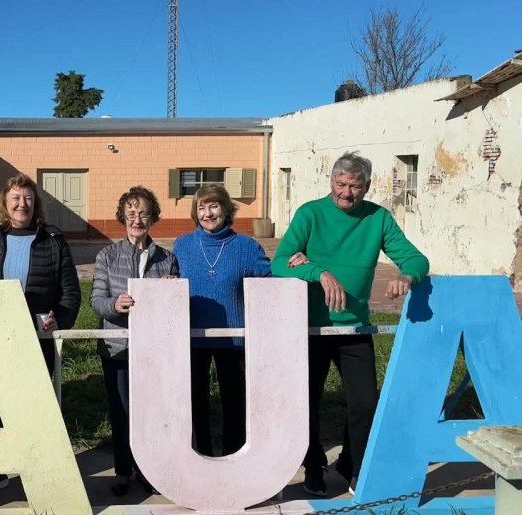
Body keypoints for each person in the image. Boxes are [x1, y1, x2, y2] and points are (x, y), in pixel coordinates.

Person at [271, 151, 429, 497]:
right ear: (331, 182)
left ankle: (352, 466)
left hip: (354, 328)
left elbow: (416, 258)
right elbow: (280, 263)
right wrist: (317, 271)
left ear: (368, 187)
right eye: (341, 184)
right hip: (309, 328)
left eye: (355, 187)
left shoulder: (378, 218)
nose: (347, 193)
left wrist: (406, 274)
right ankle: (313, 467)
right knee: (306, 403)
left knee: (364, 403)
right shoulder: (310, 213)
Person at [0, 173, 81, 499]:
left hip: (37, 338)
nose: (22, 204)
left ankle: (43, 471)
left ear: (36, 204)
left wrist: (60, 317)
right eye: (16, 198)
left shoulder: (53, 241)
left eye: (28, 198)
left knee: (37, 406)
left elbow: (71, 291)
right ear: (5, 203)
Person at [90, 186, 178, 496]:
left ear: (153, 217)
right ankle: (123, 471)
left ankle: (147, 470)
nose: (137, 219)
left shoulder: (167, 259)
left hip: (154, 349)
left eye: (143, 213)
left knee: (151, 413)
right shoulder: (106, 255)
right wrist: (114, 304)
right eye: (130, 214)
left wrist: (171, 290)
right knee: (122, 411)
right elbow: (96, 300)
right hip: (118, 347)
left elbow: (175, 307)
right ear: (122, 218)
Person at [173, 183, 271, 459]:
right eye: (201, 208)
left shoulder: (246, 246)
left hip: (234, 339)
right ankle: (199, 454)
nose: (207, 213)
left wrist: (293, 265)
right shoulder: (183, 245)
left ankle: (235, 455)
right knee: (194, 403)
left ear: (226, 209)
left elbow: (270, 281)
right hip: (192, 338)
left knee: (236, 401)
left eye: (213, 206)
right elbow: (171, 280)